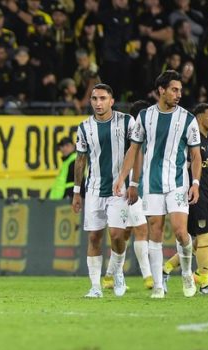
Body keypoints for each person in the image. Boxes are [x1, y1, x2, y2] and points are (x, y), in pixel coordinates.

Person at [115, 70, 202, 299]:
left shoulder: (188, 119)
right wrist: (127, 179)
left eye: (180, 90)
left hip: (178, 183)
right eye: (174, 89)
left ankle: (185, 273)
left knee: (181, 232)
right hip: (151, 183)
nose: (178, 94)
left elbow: (195, 156)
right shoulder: (144, 116)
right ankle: (158, 286)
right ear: (161, 90)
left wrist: (195, 183)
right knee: (154, 231)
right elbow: (134, 150)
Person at [72, 84, 137, 298]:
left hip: (119, 189)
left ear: (111, 100)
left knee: (117, 235)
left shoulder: (127, 122)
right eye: (94, 99)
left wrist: (134, 183)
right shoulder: (84, 127)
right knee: (94, 237)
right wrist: (76, 192)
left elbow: (138, 151)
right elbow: (80, 160)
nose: (98, 103)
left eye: (102, 98)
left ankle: (117, 271)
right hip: (93, 190)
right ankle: (95, 287)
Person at [162, 103, 208, 294]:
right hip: (192, 194)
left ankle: (166, 268)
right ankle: (204, 282)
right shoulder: (189, 139)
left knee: (197, 242)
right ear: (198, 118)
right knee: (205, 237)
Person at [102, 99, 153, 290]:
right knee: (139, 230)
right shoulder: (131, 134)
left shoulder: (146, 134)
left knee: (126, 233)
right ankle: (148, 277)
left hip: (137, 185)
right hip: (128, 186)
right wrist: (132, 183)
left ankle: (110, 276)